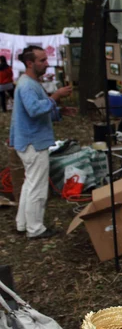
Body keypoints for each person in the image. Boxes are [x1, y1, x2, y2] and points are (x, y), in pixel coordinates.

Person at [9, 46, 72, 239]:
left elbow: (38, 110)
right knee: (37, 186)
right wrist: (56, 96)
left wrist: (59, 110)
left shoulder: (31, 82)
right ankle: (35, 229)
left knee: (30, 183)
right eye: (42, 60)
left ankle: (23, 224)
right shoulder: (27, 85)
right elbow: (34, 110)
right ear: (30, 63)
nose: (47, 63)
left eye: (46, 59)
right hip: (32, 142)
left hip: (29, 140)